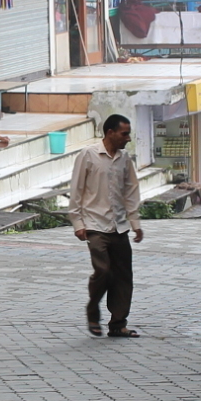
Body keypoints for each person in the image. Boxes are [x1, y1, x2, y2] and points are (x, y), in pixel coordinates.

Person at [69, 112, 144, 337]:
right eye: (124, 134)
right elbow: (77, 189)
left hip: (119, 226)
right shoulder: (88, 155)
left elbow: (131, 191)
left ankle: (118, 323)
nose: (128, 138)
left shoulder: (124, 159)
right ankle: (93, 311)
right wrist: (77, 222)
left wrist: (135, 222)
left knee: (123, 275)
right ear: (110, 133)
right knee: (103, 271)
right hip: (94, 224)